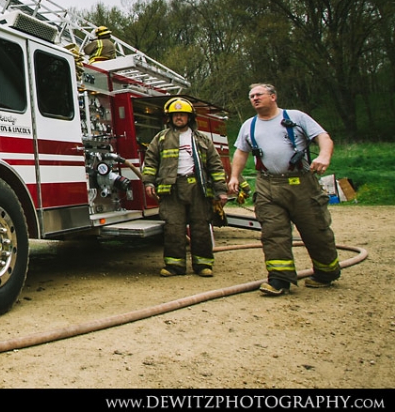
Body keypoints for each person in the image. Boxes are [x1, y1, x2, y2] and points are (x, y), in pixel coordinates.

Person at [228, 83, 340, 296]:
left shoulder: (296, 117)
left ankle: (326, 272)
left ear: (273, 96)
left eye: (259, 94)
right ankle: (279, 279)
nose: (254, 98)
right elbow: (241, 153)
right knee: (273, 232)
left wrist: (324, 155)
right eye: (251, 96)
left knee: (316, 230)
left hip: (301, 183)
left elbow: (323, 137)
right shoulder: (248, 126)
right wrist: (234, 177)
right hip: (267, 185)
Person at [142, 97, 228, 277]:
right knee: (173, 227)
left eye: (182, 114)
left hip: (198, 188)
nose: (179, 117)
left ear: (190, 117)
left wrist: (220, 190)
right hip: (171, 188)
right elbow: (150, 162)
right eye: (175, 115)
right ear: (170, 118)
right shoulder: (161, 138)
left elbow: (215, 165)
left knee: (201, 226)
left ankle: (203, 265)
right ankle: (174, 266)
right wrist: (148, 182)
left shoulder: (202, 139)